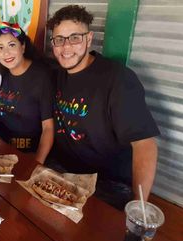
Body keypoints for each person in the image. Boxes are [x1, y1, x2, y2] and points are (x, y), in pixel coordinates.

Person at [46, 5, 160, 208]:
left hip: (107, 183)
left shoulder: (117, 79)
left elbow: (145, 145)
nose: (66, 48)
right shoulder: (57, 74)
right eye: (59, 40)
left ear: (89, 39)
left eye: (74, 38)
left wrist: (138, 206)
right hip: (61, 170)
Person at [0, 22, 54, 164]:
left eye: (12, 45)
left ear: (23, 46)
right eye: (0, 48)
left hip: (30, 155)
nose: (6, 53)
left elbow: (48, 128)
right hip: (2, 152)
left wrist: (37, 161)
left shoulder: (41, 77)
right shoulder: (0, 75)